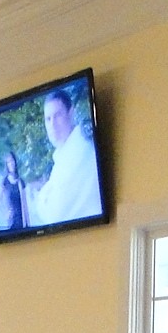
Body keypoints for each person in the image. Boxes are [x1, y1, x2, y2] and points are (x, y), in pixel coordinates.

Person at [25, 84, 102, 227]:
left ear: (71, 113)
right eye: (48, 119)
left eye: (58, 115)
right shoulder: (64, 153)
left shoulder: (79, 149)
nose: (53, 124)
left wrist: (38, 197)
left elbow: (54, 215)